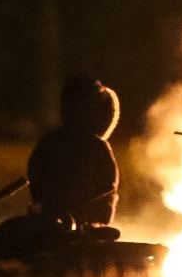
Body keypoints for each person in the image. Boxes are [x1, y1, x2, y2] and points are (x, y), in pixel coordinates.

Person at [26, 76, 120, 226]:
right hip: (84, 232)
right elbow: (106, 202)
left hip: (50, 225)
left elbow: (36, 189)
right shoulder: (97, 148)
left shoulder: (48, 143)